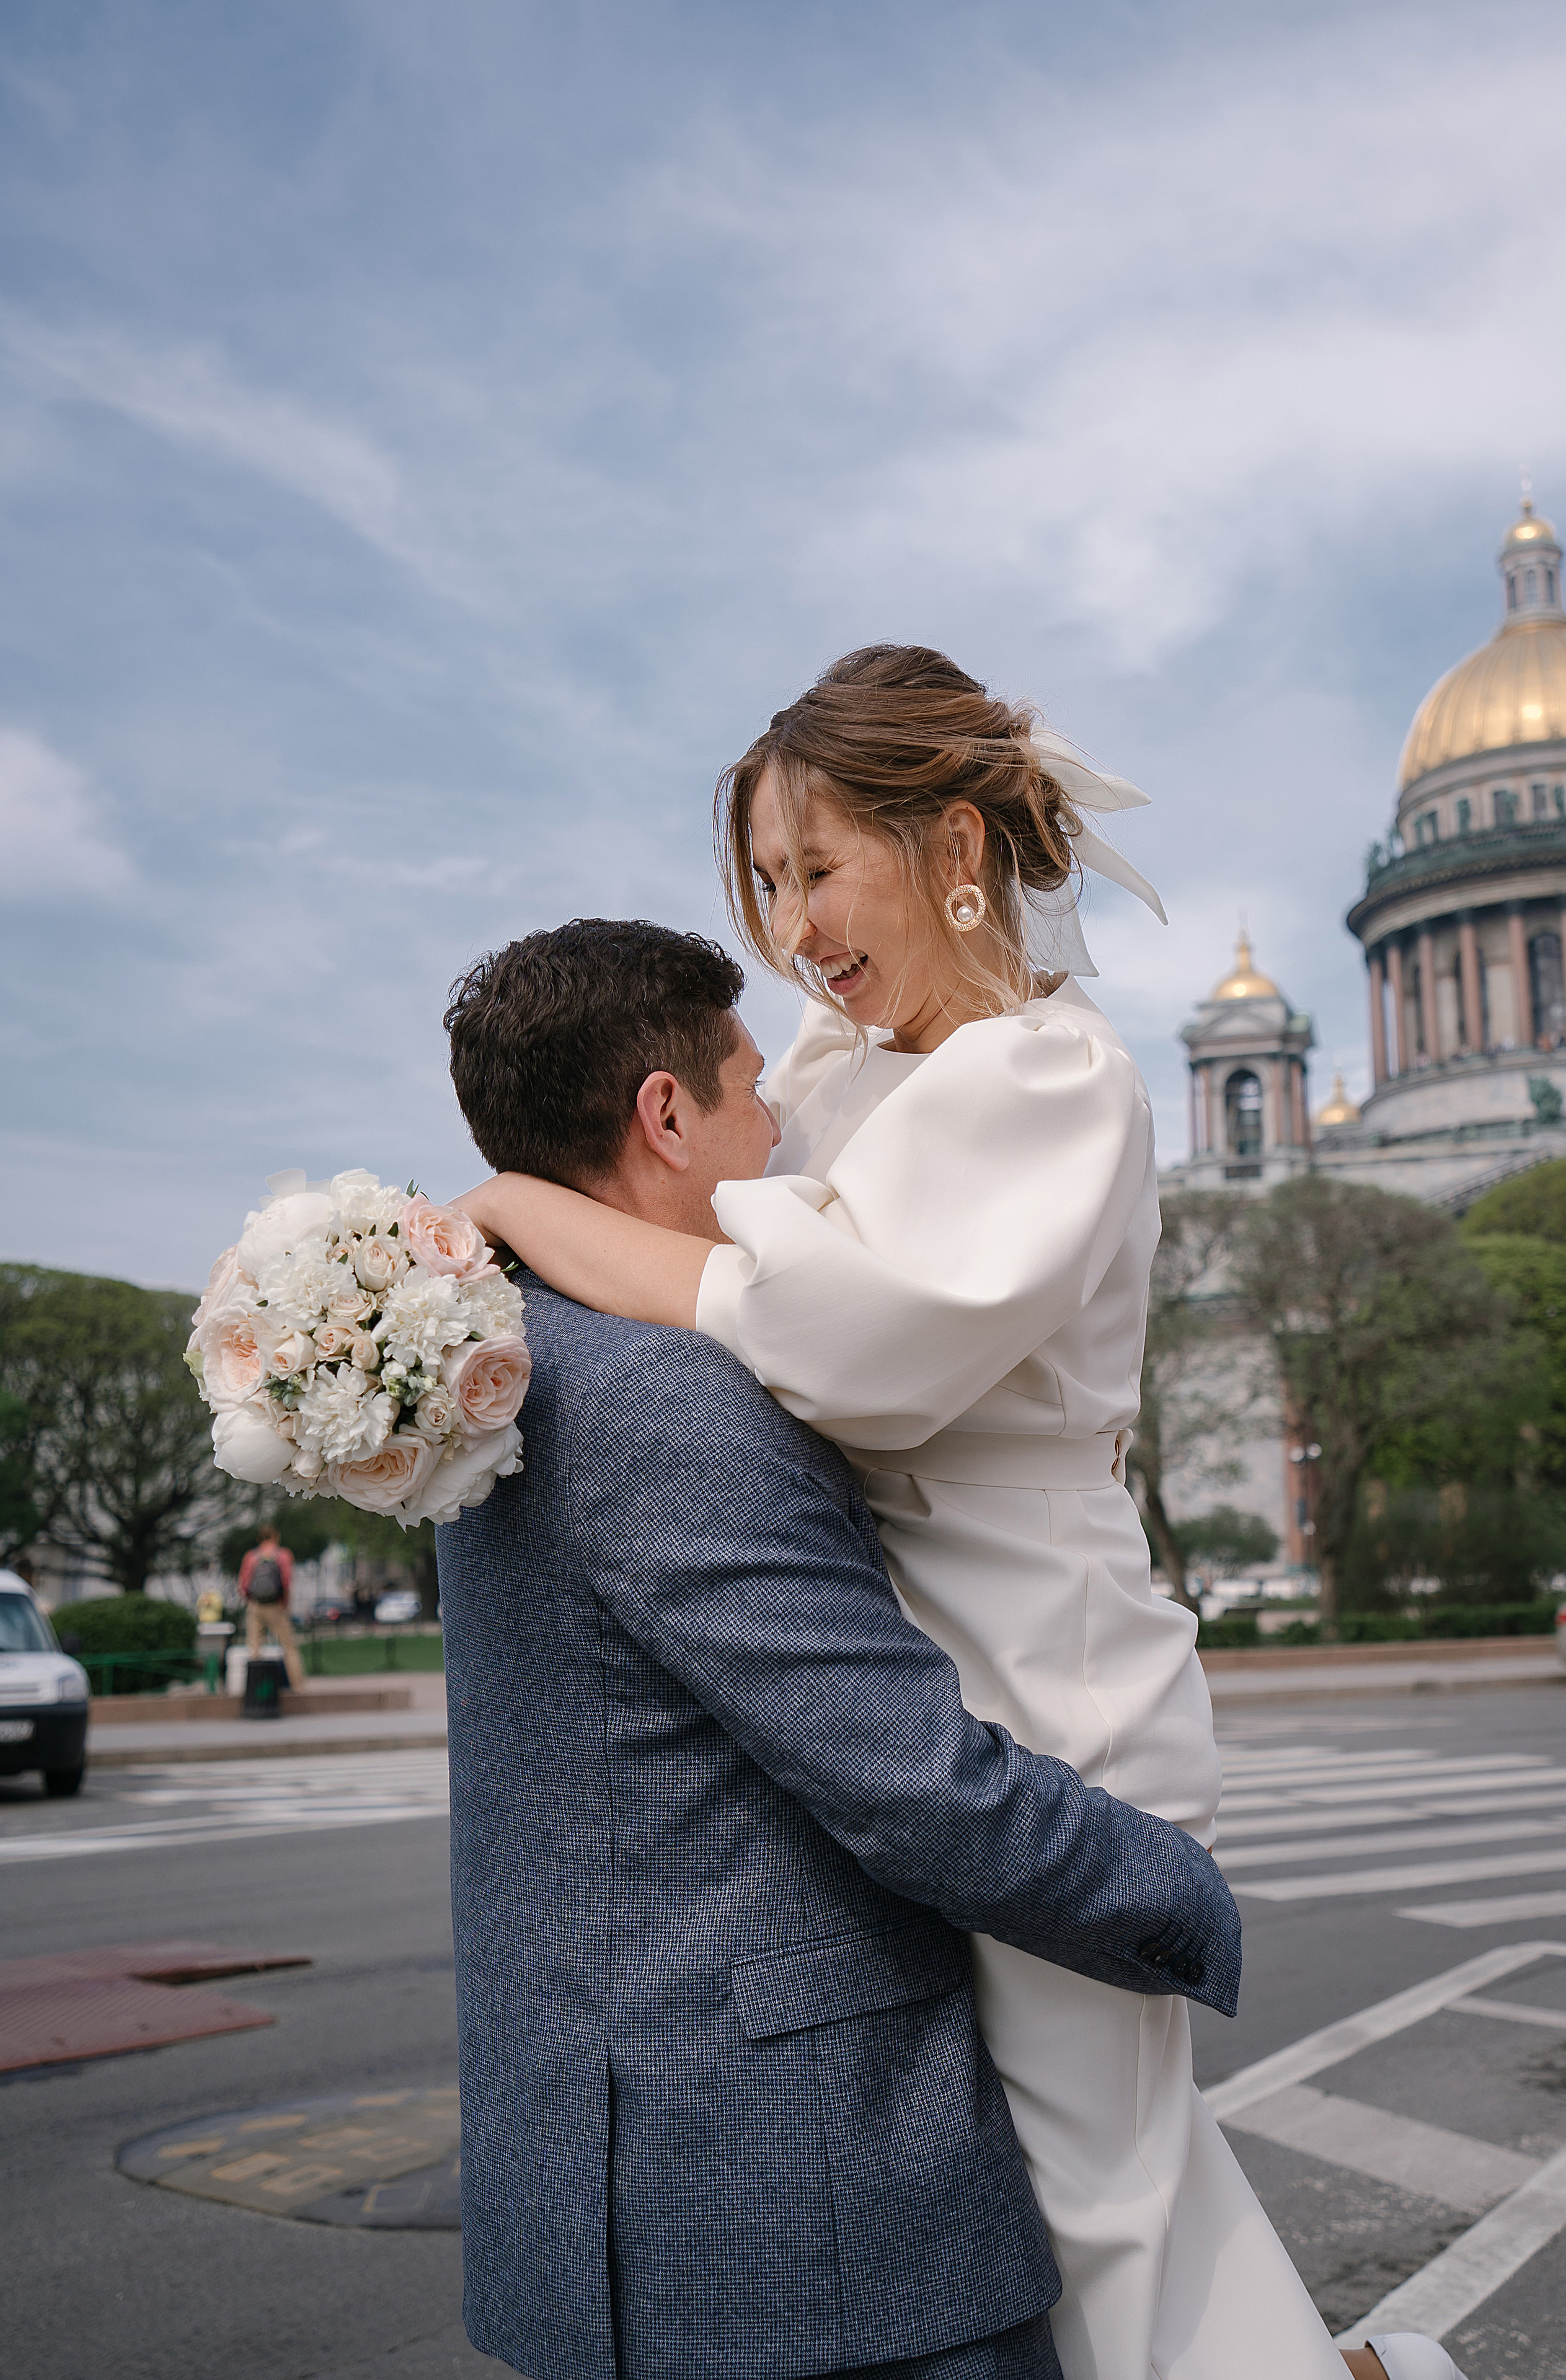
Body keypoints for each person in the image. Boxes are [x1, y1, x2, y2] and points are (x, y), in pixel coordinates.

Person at [457, 654, 1461, 2380]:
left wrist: (498, 1209)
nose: (793, 930)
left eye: (819, 869)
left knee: (1098, 2200)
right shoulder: (849, 1073)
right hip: (931, 1667)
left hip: (1046, 1685)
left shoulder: (1046, 1079)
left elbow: (838, 1335)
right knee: (1027, 2202)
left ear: (960, 850)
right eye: (766, 884)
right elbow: (697, 1225)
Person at [438, 919, 1243, 2380]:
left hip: (588, 2174)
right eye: (752, 1092)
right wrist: (1179, 1894)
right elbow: (912, 1782)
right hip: (803, 2219)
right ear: (665, 1114)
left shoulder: (502, 1370)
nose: (785, 1130)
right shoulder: (673, 1401)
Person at [237, 1523, 305, 1689]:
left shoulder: (251, 1556)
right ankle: (299, 1687)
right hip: (276, 1606)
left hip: (256, 1606)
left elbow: (244, 1585)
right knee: (289, 1648)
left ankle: (254, 1688)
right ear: (276, 1537)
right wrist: (285, 1604)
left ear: (260, 1538)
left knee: (254, 1647)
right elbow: (287, 1582)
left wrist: (251, 1601)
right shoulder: (283, 1555)